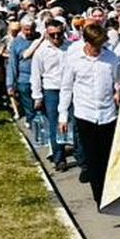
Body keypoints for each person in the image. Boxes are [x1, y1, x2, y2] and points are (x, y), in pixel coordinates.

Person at [60, 21, 120, 196]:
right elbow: (66, 88)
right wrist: (63, 115)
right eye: (95, 45)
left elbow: (116, 81)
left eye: (101, 45)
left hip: (108, 114)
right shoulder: (74, 60)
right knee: (92, 157)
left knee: (108, 156)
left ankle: (110, 190)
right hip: (85, 114)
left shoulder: (111, 58)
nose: (98, 49)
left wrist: (118, 91)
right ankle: (99, 193)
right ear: (86, 42)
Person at [30, 19, 72, 169]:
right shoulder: (41, 52)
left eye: (59, 34)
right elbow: (36, 75)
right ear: (46, 34)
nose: (56, 38)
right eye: (52, 35)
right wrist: (37, 96)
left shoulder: (70, 48)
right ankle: (59, 158)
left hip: (70, 89)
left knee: (74, 124)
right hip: (51, 90)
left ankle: (81, 158)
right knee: (55, 125)